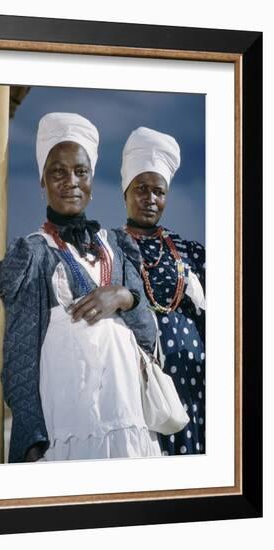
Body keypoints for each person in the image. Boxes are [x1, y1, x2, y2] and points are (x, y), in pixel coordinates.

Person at [0, 113, 161, 463]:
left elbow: (147, 334)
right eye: (58, 171)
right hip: (67, 428)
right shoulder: (35, 253)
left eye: (80, 171)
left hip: (125, 417)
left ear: (91, 178)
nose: (70, 181)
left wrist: (124, 296)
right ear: (42, 180)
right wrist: (32, 440)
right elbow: (19, 355)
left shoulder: (114, 246)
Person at [113, 126, 206, 456]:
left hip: (193, 386)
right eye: (141, 189)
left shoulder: (189, 251)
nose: (149, 198)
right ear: (125, 191)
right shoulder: (108, 247)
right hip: (139, 387)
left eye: (158, 191)